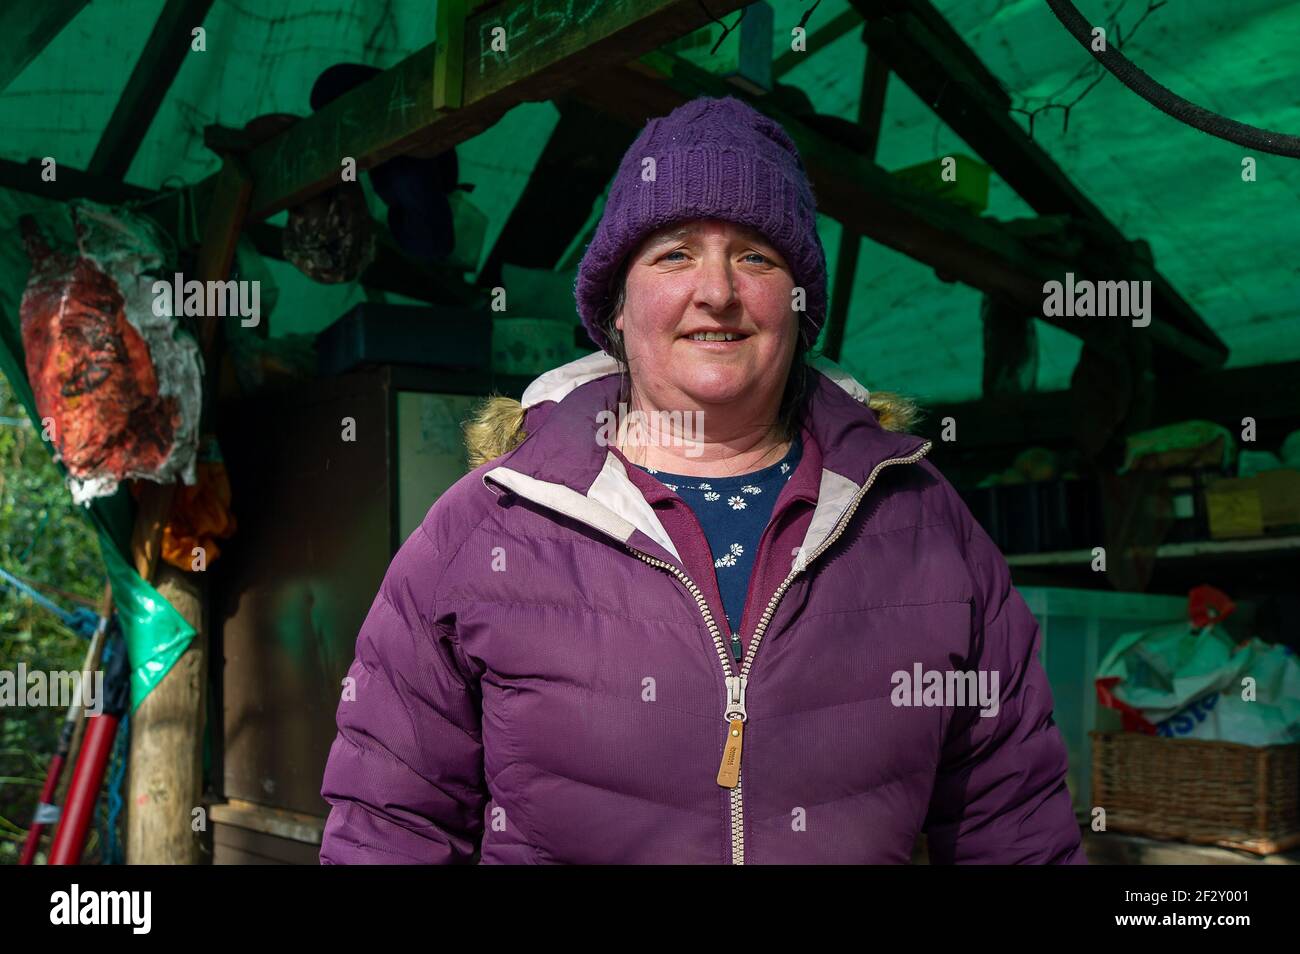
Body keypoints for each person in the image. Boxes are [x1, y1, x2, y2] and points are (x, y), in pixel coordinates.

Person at [318, 95, 1085, 864]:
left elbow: (1016, 824)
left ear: (798, 302)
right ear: (616, 306)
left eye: (756, 256)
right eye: (675, 254)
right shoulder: (487, 528)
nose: (716, 291)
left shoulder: (921, 522)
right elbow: (389, 829)